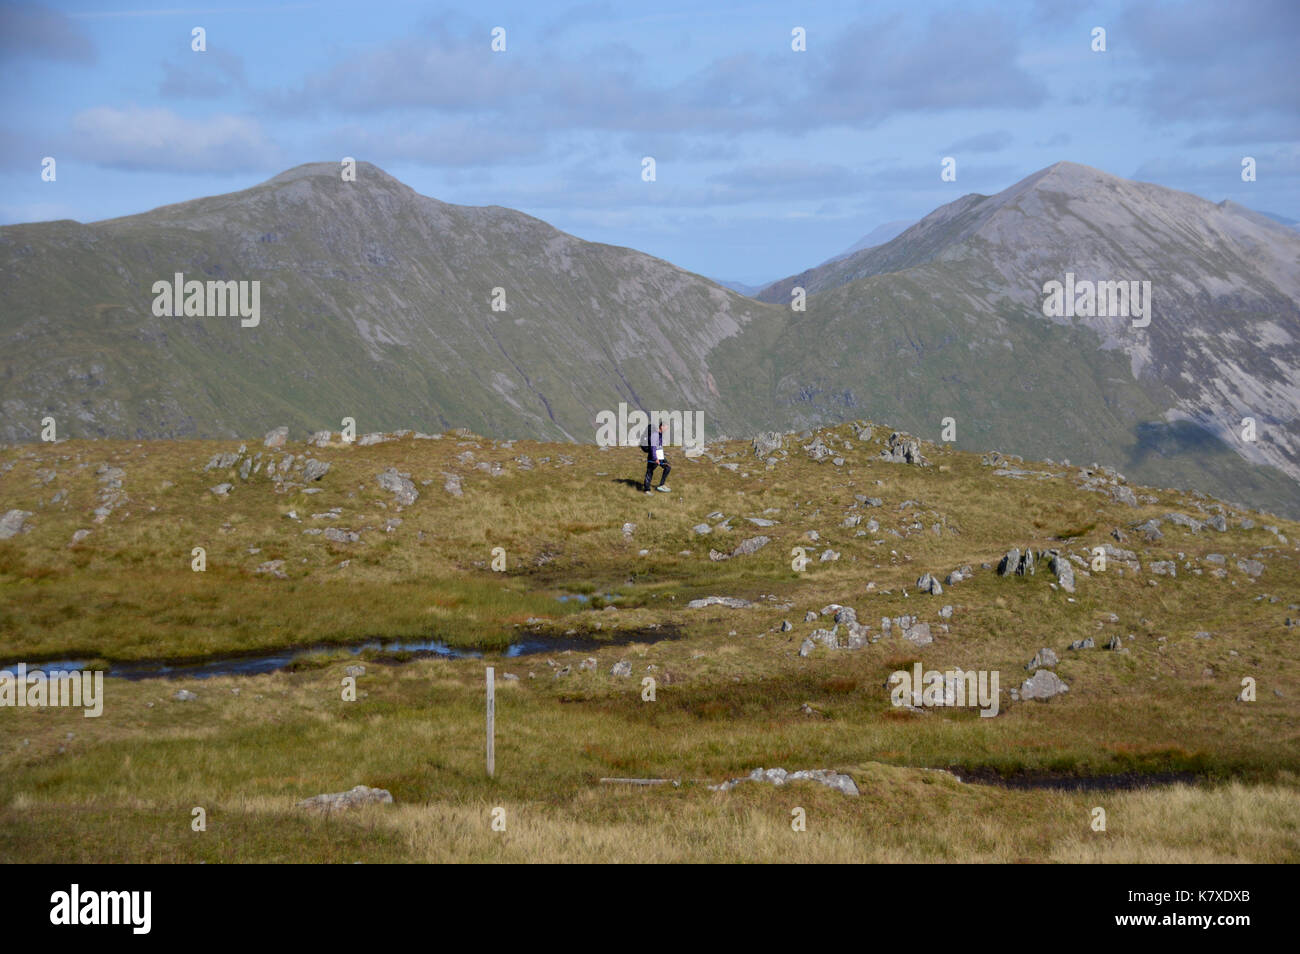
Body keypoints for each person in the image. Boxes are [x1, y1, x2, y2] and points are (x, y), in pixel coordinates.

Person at [643, 419, 671, 493]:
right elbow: (653, 447)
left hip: (659, 454)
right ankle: (647, 489)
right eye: (666, 427)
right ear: (662, 426)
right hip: (653, 455)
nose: (666, 429)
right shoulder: (655, 434)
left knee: (667, 467)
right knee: (650, 471)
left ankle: (661, 485)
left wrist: (661, 455)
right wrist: (655, 458)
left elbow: (659, 446)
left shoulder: (660, 434)